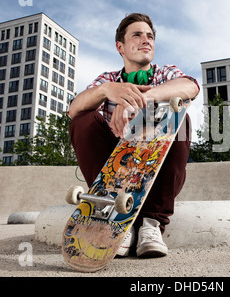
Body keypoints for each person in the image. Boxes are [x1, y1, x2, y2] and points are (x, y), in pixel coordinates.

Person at [68, 13, 199, 258]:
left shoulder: (165, 73)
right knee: (83, 119)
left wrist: (139, 100)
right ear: (120, 46)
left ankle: (152, 223)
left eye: (149, 36)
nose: (145, 40)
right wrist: (108, 90)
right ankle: (118, 219)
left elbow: (191, 86)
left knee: (178, 111)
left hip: (158, 177)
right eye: (137, 35)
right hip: (116, 177)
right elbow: (73, 109)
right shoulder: (108, 79)